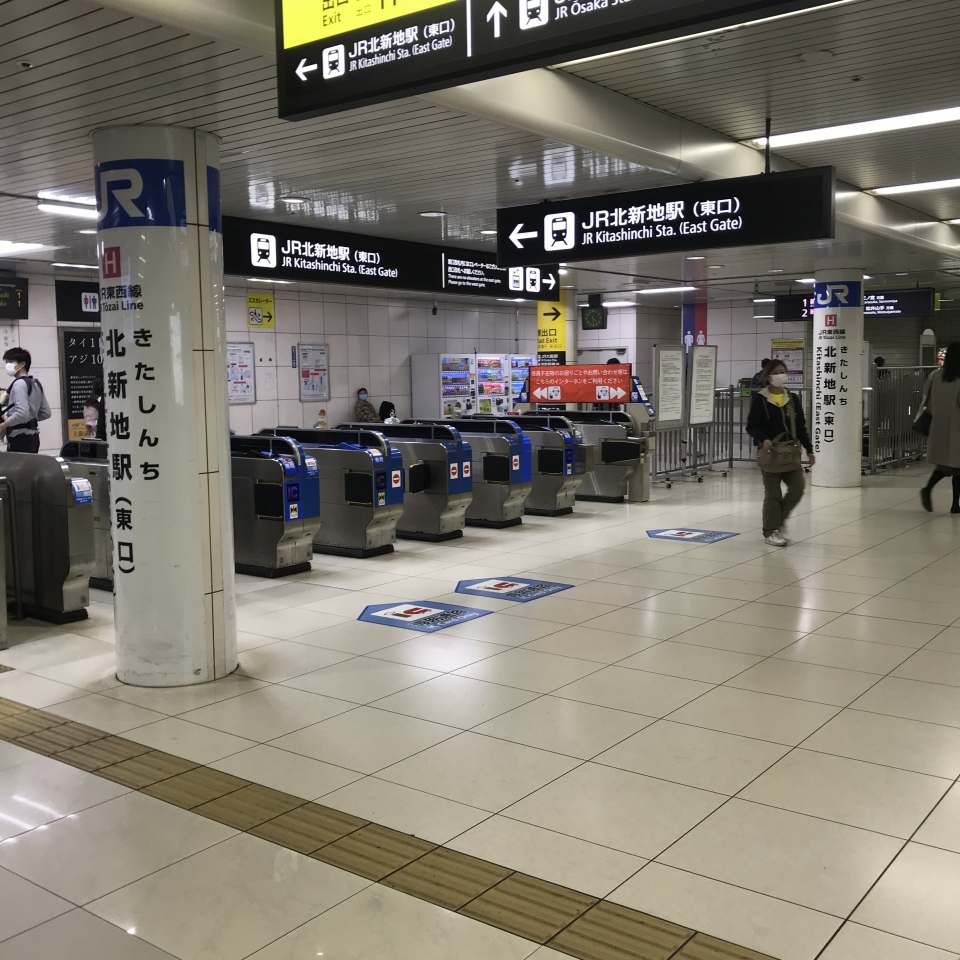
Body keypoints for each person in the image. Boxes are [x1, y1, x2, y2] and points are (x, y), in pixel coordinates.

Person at [746, 358, 815, 546]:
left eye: (782, 371)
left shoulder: (792, 398)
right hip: (771, 453)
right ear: (767, 377)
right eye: (775, 372)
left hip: (790, 452)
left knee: (797, 488)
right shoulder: (760, 398)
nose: (780, 375)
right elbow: (751, 426)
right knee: (773, 494)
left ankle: (779, 520)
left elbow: (800, 426)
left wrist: (809, 449)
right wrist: (764, 438)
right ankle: (771, 531)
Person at [920, 342, 960, 513]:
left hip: (939, 425)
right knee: (955, 465)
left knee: (950, 465)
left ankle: (931, 491)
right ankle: (954, 504)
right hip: (957, 426)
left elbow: (926, 400)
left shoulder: (935, 375)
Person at [0, 348, 51, 453]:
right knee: (29, 468)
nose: (7, 365)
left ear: (22, 364)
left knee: (17, 468)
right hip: (33, 437)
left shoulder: (19, 384)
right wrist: (30, 420)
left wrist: (5, 424)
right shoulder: (36, 383)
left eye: (10, 362)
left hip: (18, 437)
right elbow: (46, 413)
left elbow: (22, 413)